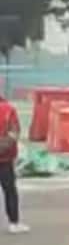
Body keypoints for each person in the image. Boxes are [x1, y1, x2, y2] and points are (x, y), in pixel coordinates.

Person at [0, 95, 28, 234]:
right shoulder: (8, 110)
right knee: (10, 190)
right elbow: (14, 132)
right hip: (5, 158)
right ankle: (14, 223)